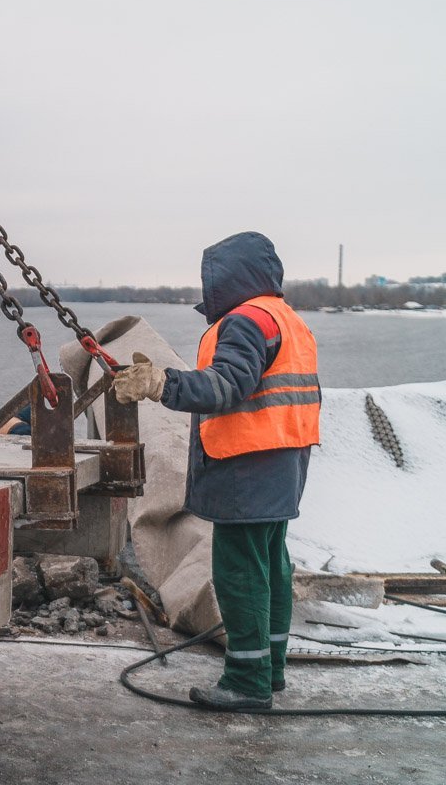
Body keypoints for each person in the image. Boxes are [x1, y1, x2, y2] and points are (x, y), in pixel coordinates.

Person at [112, 231, 319, 710]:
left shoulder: (245, 321)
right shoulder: (284, 318)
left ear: (227, 278)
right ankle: (271, 670)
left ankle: (247, 683)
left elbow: (227, 384)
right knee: (270, 566)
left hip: (246, 463)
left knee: (239, 571)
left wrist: (161, 382)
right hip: (284, 460)